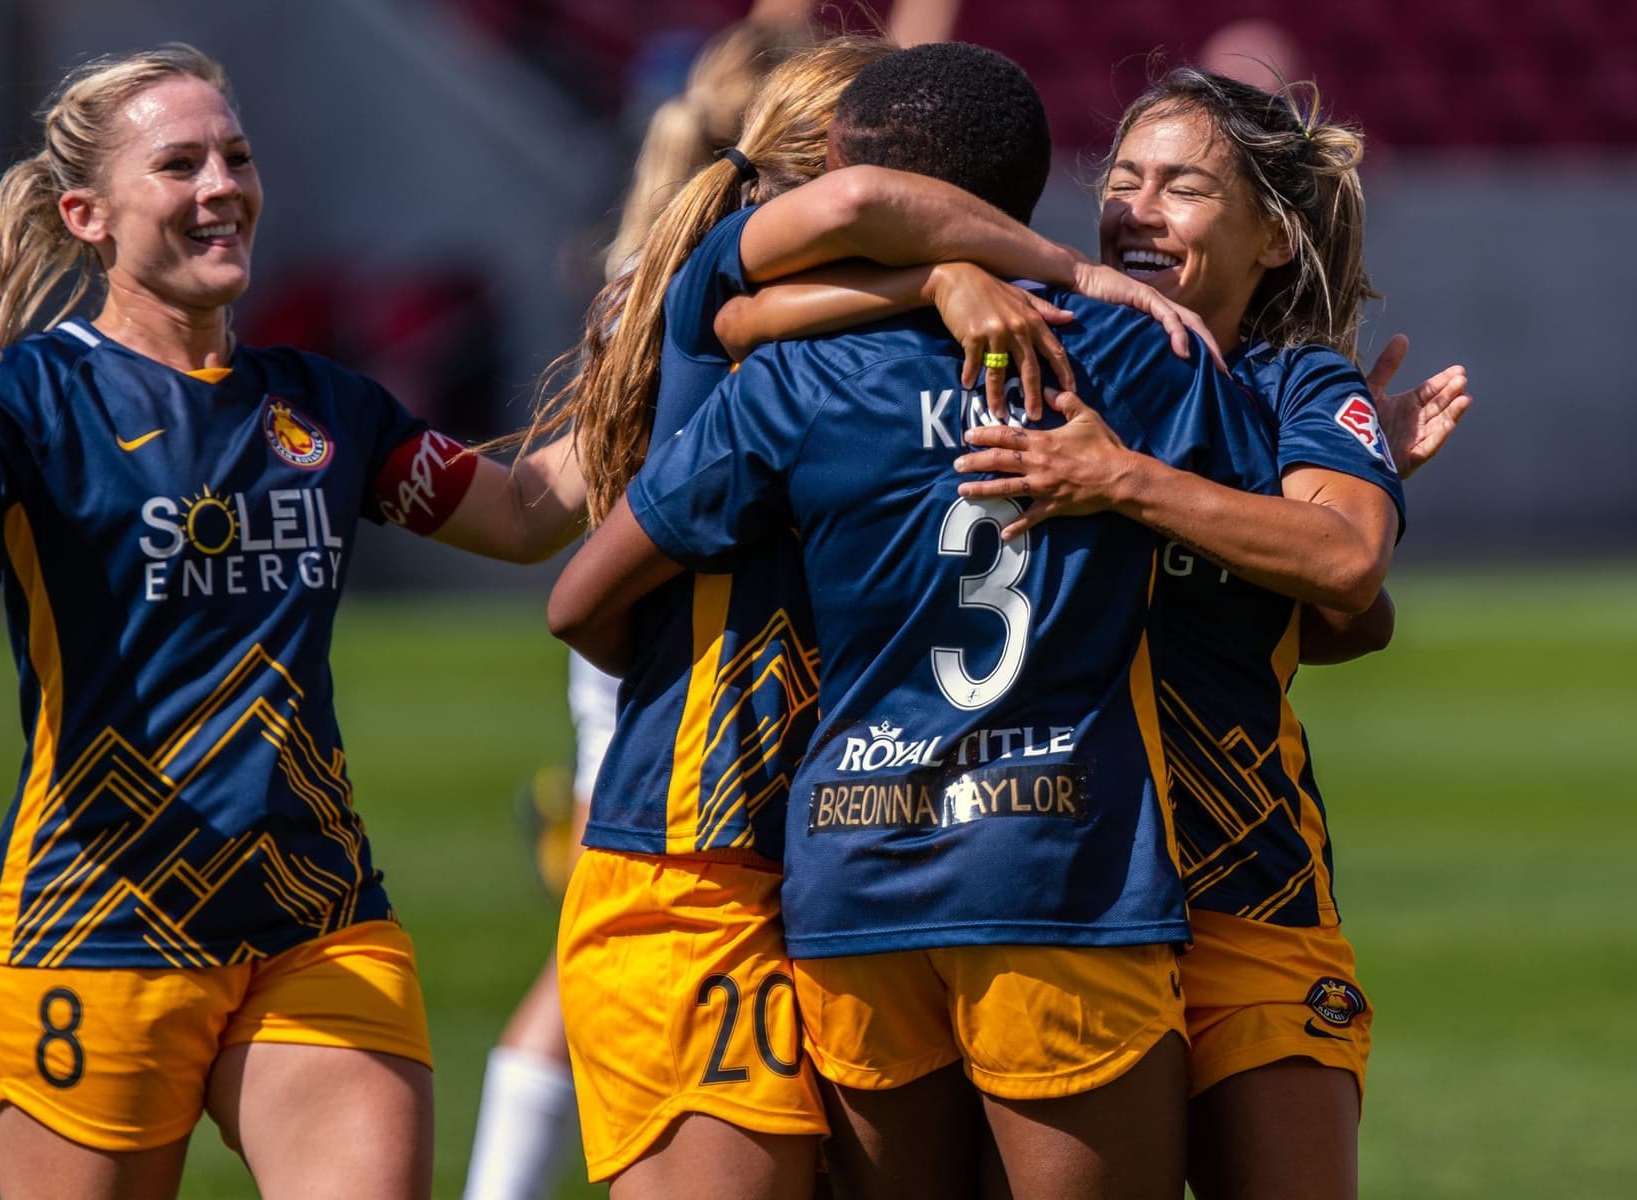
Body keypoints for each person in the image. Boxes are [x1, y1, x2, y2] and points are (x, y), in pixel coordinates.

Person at [0, 45, 585, 1199]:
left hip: (318, 921)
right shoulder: (36, 396)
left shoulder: (323, 402)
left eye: (234, 157)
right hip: (94, 931)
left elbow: (527, 515)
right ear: (86, 214)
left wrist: (675, 365)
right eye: (179, 164)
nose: (220, 186)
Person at [548, 42, 1289, 1200]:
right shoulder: (1135, 351)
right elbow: (1311, 579)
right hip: (1048, 865)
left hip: (843, 860)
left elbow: (578, 599)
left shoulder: (784, 368)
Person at [948, 68, 1470, 1199]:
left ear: (1273, 241)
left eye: (1182, 189)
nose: (1138, 210)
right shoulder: (1039, 354)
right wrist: (945, 269)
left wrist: (1130, 481)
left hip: (1252, 893)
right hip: (1059, 892)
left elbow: (1342, 574)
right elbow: (1336, 617)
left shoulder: (1297, 385)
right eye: (1124, 181)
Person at [463, 21, 812, 1198]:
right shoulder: (712, 293)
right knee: (607, 980)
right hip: (684, 694)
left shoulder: (660, 259)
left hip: (658, 677)